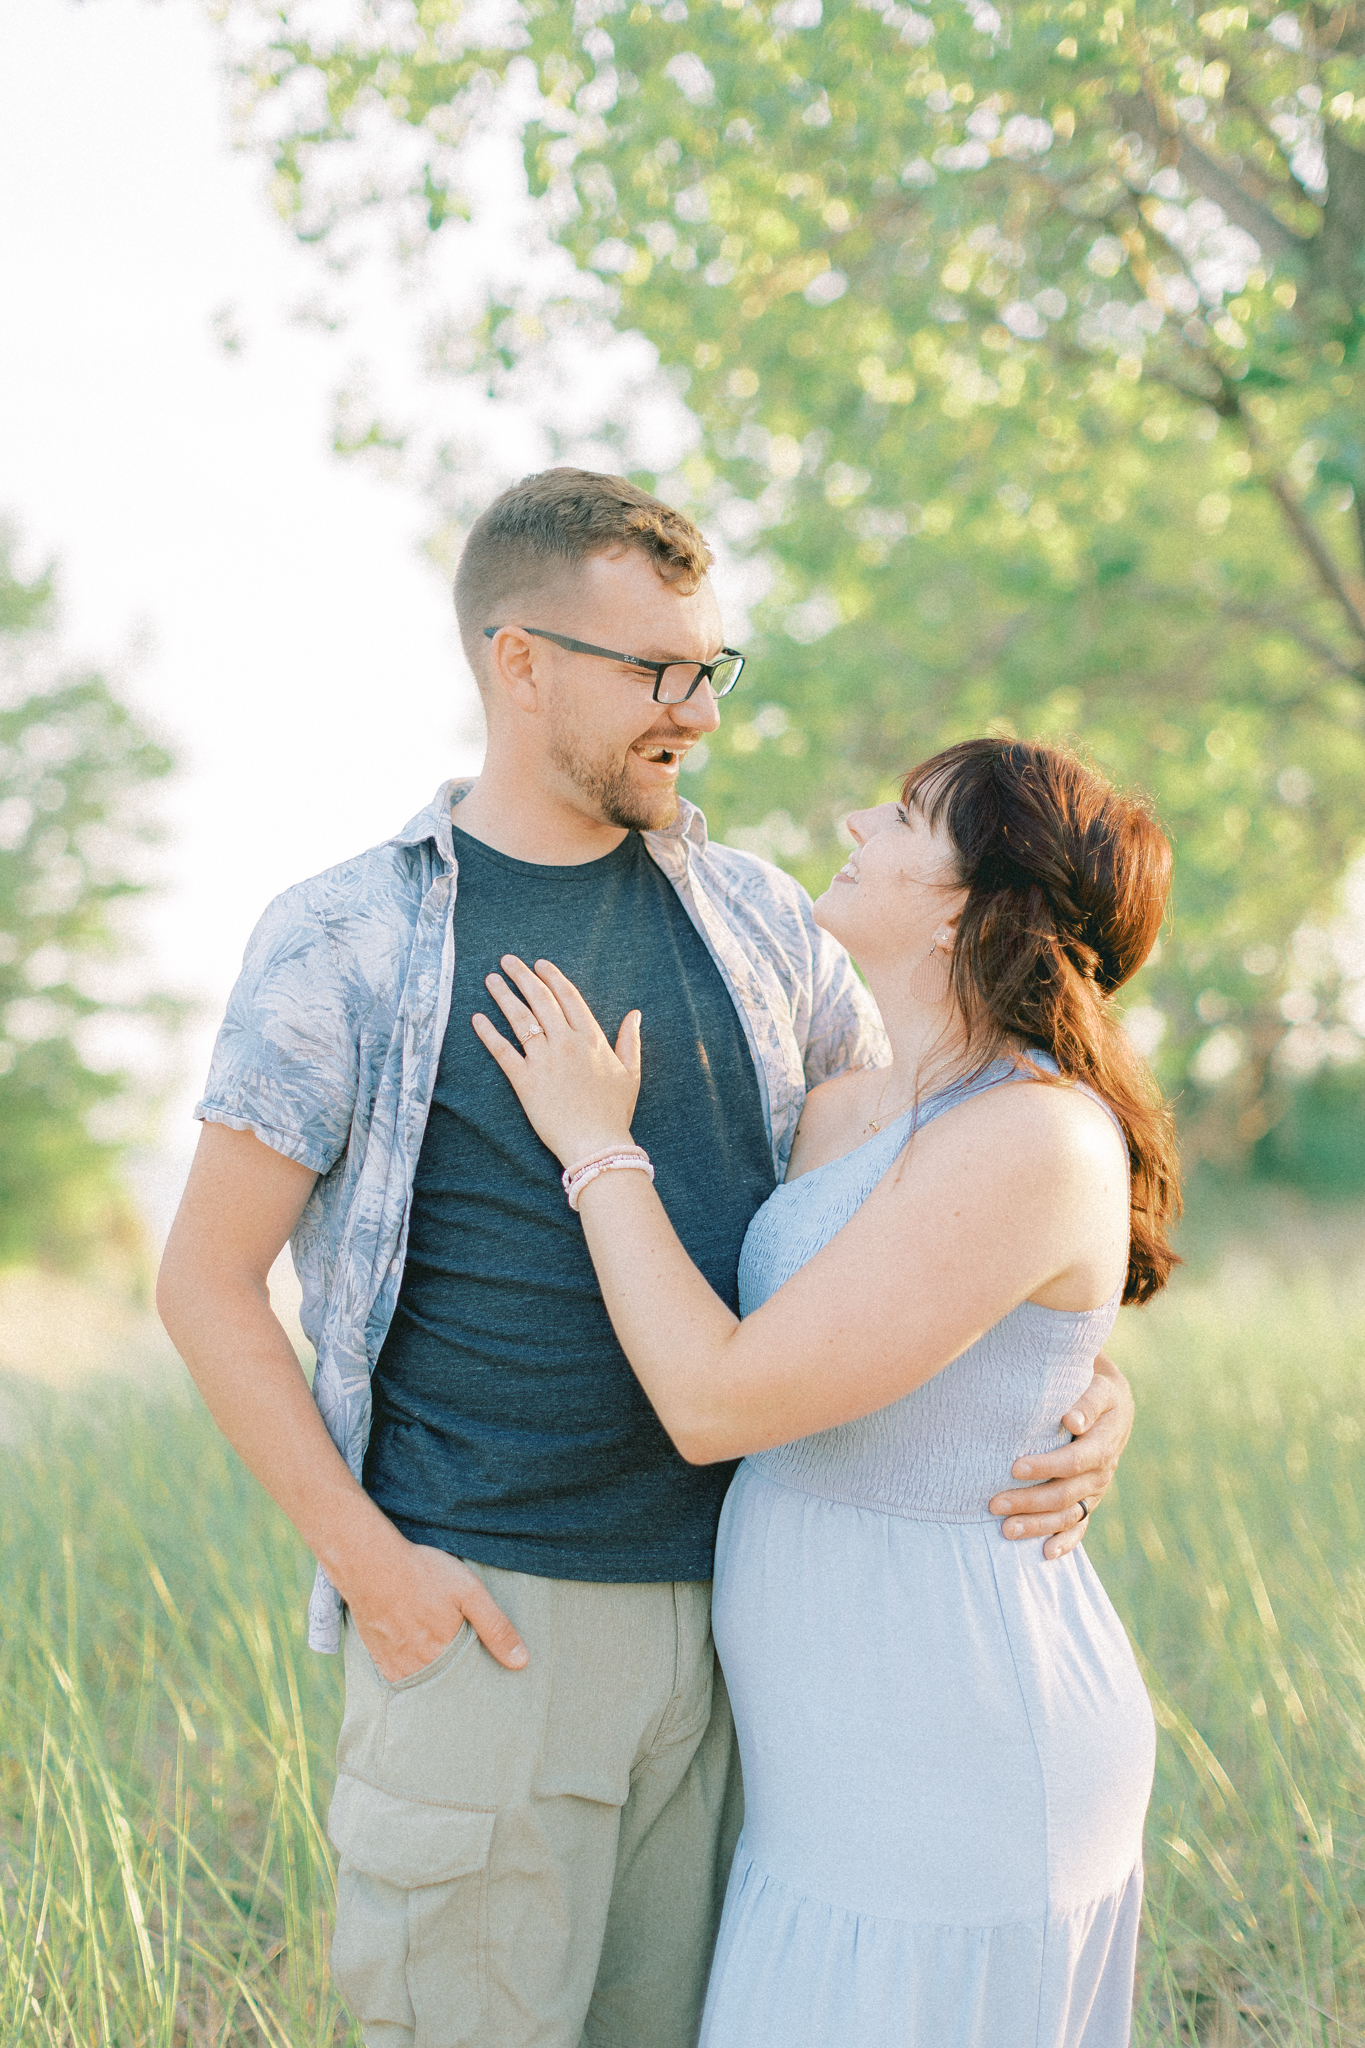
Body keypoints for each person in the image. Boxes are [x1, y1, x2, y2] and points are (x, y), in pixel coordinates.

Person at [156, 470, 1138, 2048]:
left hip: (749, 1654)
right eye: (652, 673)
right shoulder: (349, 938)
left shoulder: (761, 922)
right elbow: (204, 1284)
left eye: (708, 668)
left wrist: (1075, 1385)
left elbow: (929, 1187)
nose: (694, 711)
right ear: (516, 660)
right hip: (491, 1622)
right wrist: (367, 1567)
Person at [471, 736, 1178, 2048]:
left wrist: (594, 1145)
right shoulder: (841, 1108)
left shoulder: (1036, 1133)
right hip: (826, 1770)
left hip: (956, 1752)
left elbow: (716, 1403)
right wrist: (1083, 1387)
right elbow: (937, 1340)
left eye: (907, 815)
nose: (857, 817)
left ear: (966, 903)